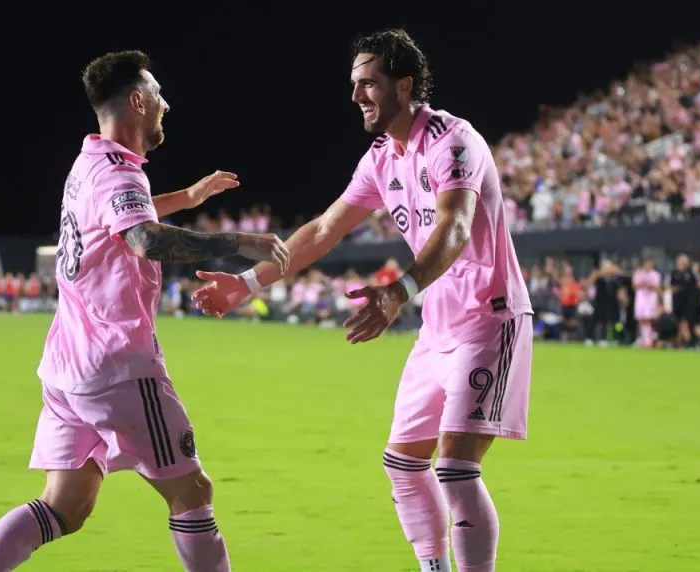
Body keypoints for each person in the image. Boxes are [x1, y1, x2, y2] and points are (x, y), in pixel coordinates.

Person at [192, 28, 532, 572]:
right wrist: (248, 282)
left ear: (405, 84)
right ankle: (433, 566)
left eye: (368, 83)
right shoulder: (381, 158)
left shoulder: (454, 140)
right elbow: (324, 228)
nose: (356, 96)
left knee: (456, 467)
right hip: (436, 330)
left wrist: (398, 292)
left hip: (490, 321)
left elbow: (457, 226)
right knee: (402, 463)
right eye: (353, 84)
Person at [0, 50, 289, 572]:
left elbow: (126, 212)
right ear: (137, 101)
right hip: (117, 366)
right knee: (192, 491)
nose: (166, 104)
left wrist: (189, 195)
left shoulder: (89, 161)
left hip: (66, 366)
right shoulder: (119, 176)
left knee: (64, 506)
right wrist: (240, 241)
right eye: (158, 94)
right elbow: (143, 238)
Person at [632, 257, 662, 347]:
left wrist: (650, 286)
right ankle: (644, 340)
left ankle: (650, 340)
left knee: (650, 320)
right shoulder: (638, 273)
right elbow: (634, 286)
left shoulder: (655, 275)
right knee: (642, 320)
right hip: (641, 298)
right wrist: (642, 284)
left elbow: (658, 288)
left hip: (651, 299)